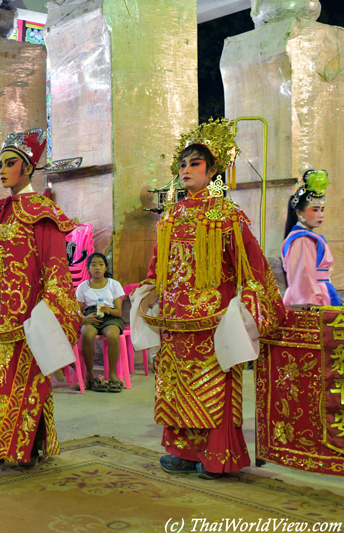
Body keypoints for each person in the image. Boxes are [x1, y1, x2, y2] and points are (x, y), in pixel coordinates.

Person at [134, 119, 285, 480]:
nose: (186, 170)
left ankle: (219, 455)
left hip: (212, 324)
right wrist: (149, 289)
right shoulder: (170, 215)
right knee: (175, 388)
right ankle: (183, 451)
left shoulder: (227, 216)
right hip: (174, 321)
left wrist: (250, 306)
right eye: (183, 164)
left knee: (214, 391)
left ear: (213, 170)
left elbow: (252, 266)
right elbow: (158, 265)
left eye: (195, 164)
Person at [0, 129, 81, 483]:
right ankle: (32, 448)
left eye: (10, 163)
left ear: (27, 169)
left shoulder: (42, 212)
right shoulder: (2, 212)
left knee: (14, 383)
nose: (2, 170)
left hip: (27, 319)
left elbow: (56, 269)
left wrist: (50, 317)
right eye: (0, 163)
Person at [281, 170, 339, 307]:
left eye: (322, 209)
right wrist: (310, 305)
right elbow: (303, 279)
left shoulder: (307, 237)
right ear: (299, 212)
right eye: (315, 209)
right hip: (312, 298)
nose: (321, 215)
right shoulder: (302, 240)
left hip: (321, 291)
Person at [76, 253, 126, 392]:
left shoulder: (114, 284)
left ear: (105, 267)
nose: (97, 267)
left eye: (101, 264)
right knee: (86, 334)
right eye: (93, 264)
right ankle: (89, 372)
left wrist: (108, 309)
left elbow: (118, 312)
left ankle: (111, 373)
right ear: (88, 268)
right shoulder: (82, 287)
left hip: (109, 317)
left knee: (113, 335)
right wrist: (85, 318)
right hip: (90, 316)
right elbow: (78, 312)